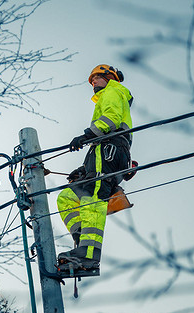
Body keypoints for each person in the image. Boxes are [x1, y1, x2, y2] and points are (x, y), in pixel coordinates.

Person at [56, 64, 133, 273]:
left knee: (92, 197)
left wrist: (86, 135)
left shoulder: (113, 91)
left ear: (110, 77)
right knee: (67, 198)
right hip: (102, 152)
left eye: (97, 78)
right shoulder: (107, 94)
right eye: (91, 80)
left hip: (111, 148)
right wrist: (83, 169)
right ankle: (83, 241)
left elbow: (111, 118)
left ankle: (89, 256)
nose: (93, 83)